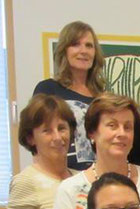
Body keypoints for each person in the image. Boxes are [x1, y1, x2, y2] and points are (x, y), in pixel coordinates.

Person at [33, 21, 105, 170]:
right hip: (59, 174)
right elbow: (37, 138)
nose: (83, 51)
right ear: (64, 50)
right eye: (76, 44)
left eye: (89, 46)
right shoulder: (48, 89)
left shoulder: (103, 97)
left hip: (96, 176)